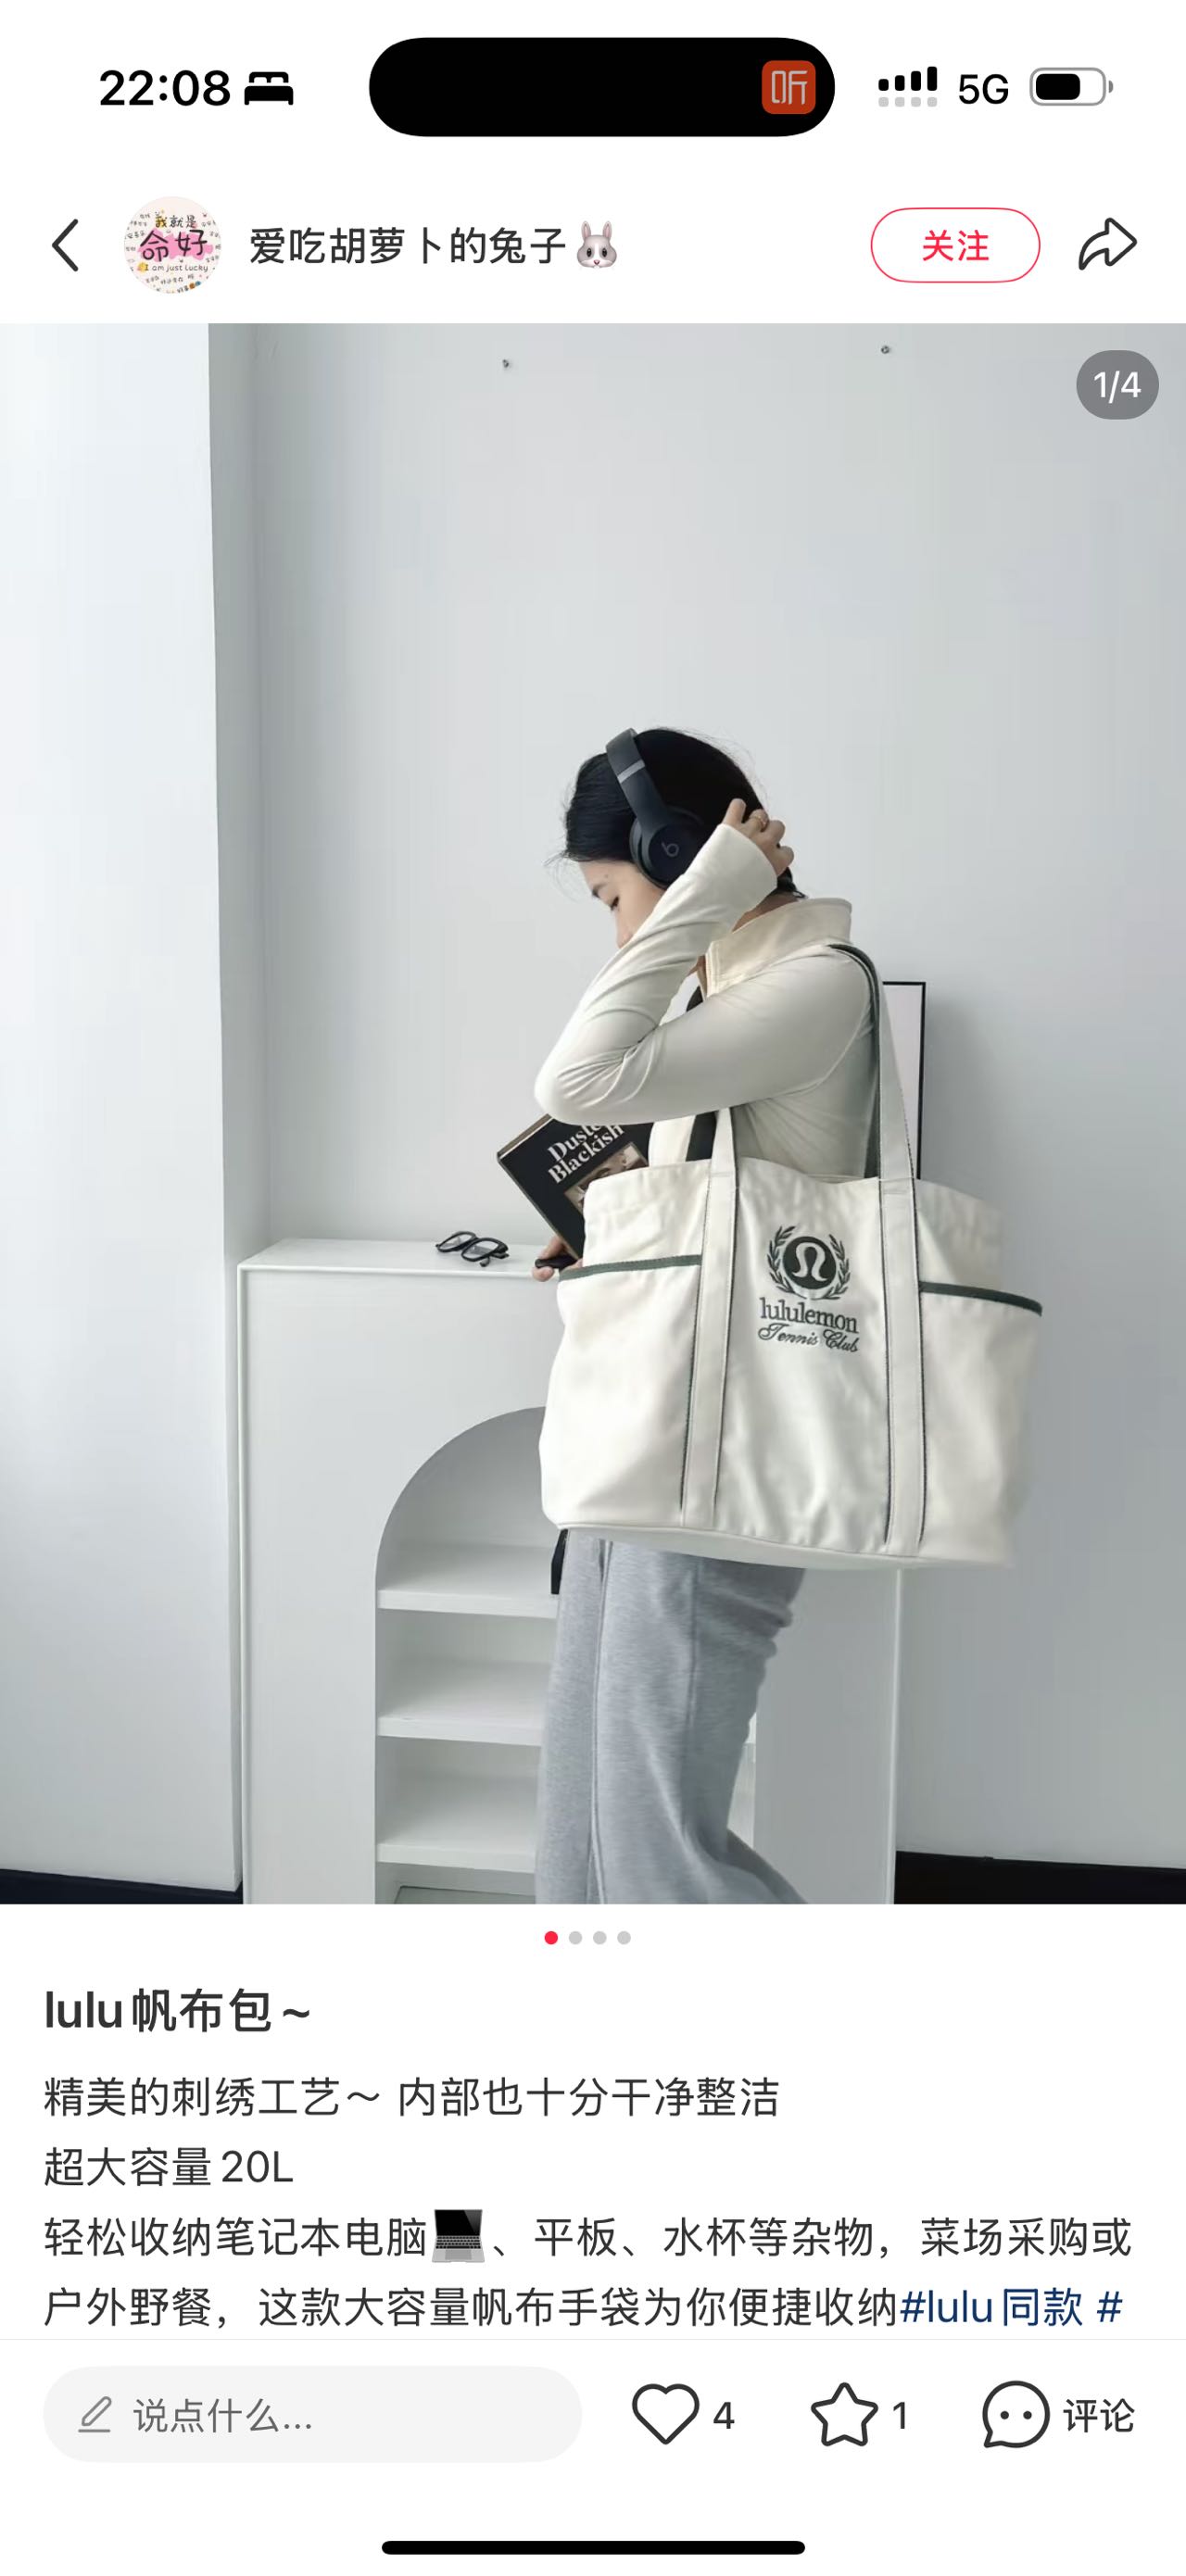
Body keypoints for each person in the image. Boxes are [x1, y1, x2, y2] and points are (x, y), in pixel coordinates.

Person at [530, 728, 877, 1904]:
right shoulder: (726, 998)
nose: (619, 934)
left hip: (717, 1456)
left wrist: (697, 898)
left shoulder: (815, 985)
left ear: (673, 855)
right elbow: (712, 1198)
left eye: (612, 898)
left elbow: (574, 1082)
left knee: (653, 1856)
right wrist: (607, 1233)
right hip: (644, 1440)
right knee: (579, 1850)